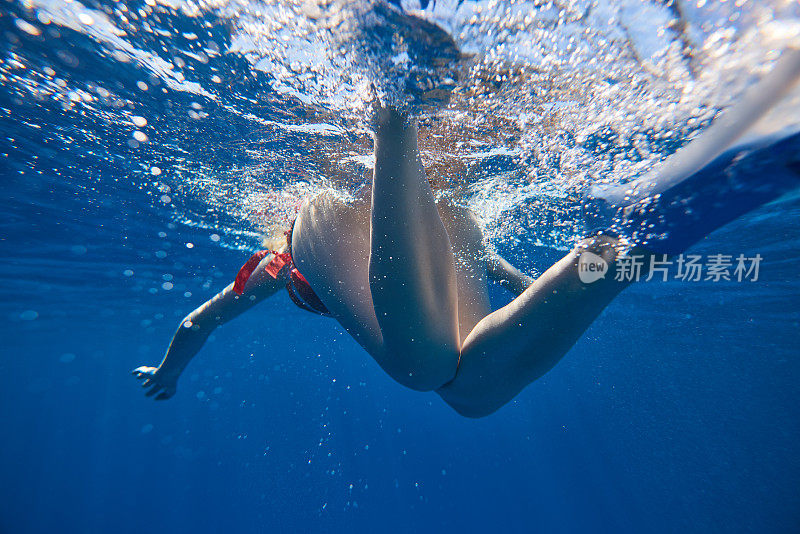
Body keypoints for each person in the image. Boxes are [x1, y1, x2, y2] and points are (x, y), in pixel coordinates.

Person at [134, 49, 800, 418]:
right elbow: (510, 283)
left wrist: (169, 373)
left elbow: (201, 324)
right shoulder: (458, 225)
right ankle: (634, 241)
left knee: (427, 372)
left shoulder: (275, 263)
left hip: (328, 225)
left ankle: (394, 119)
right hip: (447, 221)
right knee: (473, 392)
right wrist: (555, 281)